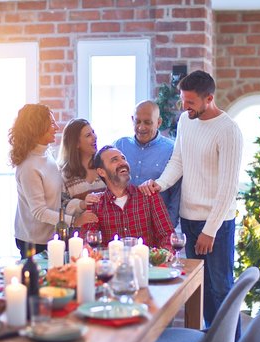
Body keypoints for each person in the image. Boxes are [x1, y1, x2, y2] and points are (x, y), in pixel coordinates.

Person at [139, 70, 243, 328]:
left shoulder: (228, 130)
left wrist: (210, 230)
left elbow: (228, 187)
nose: (185, 107)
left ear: (209, 98)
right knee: (200, 287)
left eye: (191, 102)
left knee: (221, 288)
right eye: (183, 101)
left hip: (216, 225)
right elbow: (178, 161)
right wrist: (160, 184)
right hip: (189, 220)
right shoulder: (186, 120)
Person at [8, 104, 97, 258]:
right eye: (51, 123)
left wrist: (81, 205)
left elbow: (56, 199)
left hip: (51, 236)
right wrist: (75, 221)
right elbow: (39, 211)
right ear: (37, 127)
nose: (56, 127)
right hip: (33, 240)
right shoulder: (29, 167)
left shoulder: (46, 155)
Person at [81, 145, 174, 250]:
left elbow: (167, 235)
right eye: (114, 160)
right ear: (101, 172)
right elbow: (89, 241)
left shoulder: (148, 196)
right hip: (111, 264)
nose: (122, 162)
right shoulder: (96, 204)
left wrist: (163, 255)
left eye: (123, 158)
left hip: (147, 264)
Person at [114, 100, 181, 228]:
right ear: (132, 119)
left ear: (159, 122)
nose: (141, 127)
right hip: (122, 222)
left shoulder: (172, 150)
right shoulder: (119, 146)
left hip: (155, 225)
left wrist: (168, 227)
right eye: (137, 121)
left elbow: (176, 195)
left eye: (147, 122)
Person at [58, 118, 106, 216]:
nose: (95, 137)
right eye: (88, 135)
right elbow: (62, 206)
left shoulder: (104, 167)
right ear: (76, 143)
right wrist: (82, 204)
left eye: (93, 132)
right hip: (79, 229)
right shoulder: (65, 174)